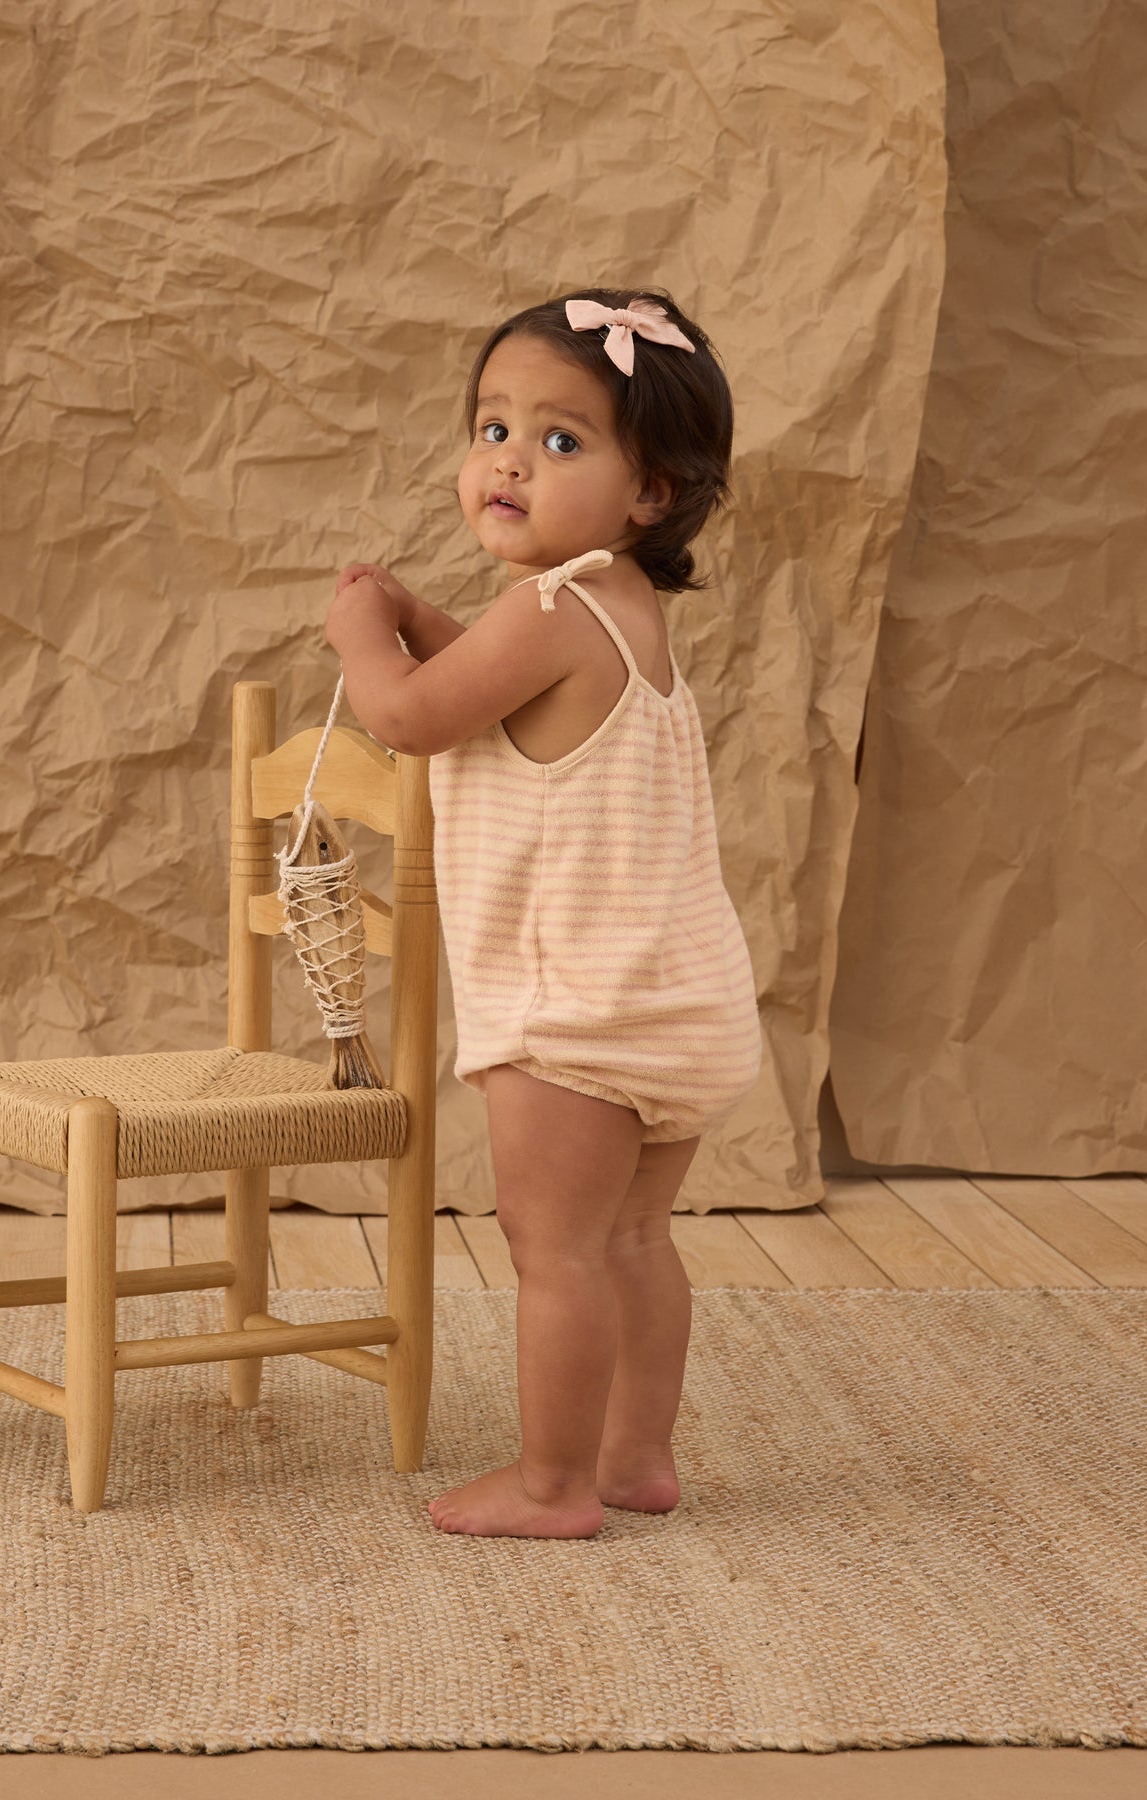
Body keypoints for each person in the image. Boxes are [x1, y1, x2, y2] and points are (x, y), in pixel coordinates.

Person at [324, 287, 762, 1539]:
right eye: (493, 427)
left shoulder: (549, 611)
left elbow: (411, 716)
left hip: (578, 1011)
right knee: (633, 1239)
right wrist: (421, 621)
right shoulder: (613, 606)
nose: (509, 460)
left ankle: (554, 1483)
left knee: (553, 1249)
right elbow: (493, 682)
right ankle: (635, 1457)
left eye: (561, 440)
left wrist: (363, 632)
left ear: (651, 492)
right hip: (680, 1004)